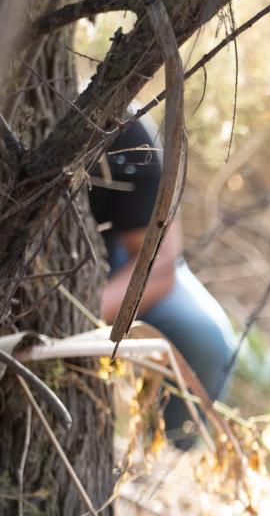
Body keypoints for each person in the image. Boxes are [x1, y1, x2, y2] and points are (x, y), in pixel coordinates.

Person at [88, 113, 236, 449]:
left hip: (112, 276)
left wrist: (79, 317)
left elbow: (159, 265)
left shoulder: (124, 131)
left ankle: (170, 456)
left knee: (204, 338)